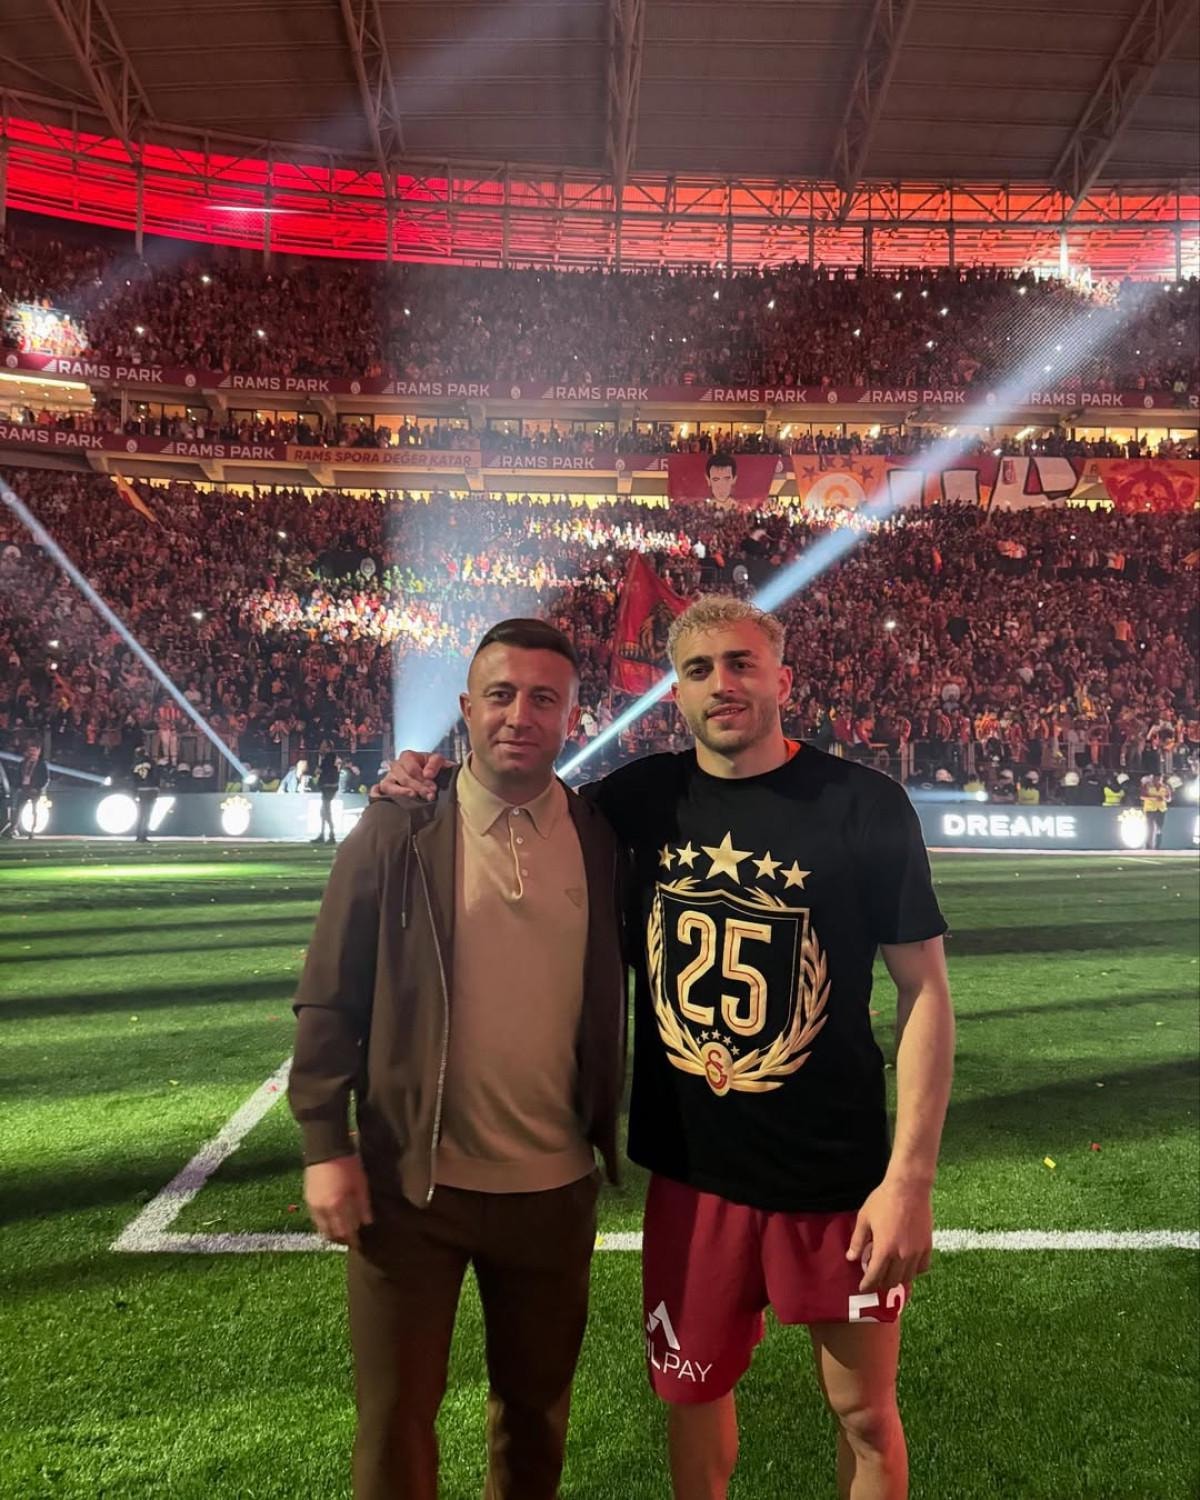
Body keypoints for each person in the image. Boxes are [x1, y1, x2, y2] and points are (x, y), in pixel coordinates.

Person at [380, 595, 955, 1500]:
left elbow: (925, 993)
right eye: (698, 670)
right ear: (674, 693)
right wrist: (427, 776)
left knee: (864, 1414)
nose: (721, 684)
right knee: (690, 1397)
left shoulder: (864, 804)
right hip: (691, 1176)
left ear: (782, 680)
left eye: (740, 663)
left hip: (835, 1177)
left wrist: (909, 1181)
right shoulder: (636, 801)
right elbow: (514, 794)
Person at [288, 618, 626, 1500]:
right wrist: (325, 1143)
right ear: (468, 708)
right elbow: (329, 992)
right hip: (412, 1190)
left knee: (536, 1417)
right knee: (395, 1420)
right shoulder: (397, 828)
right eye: (502, 695)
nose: (521, 715)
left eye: (544, 699)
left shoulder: (601, 835)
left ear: (572, 718)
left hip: (554, 1190)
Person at [12, 745, 49, 839]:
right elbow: (18, 775)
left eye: (34, 750)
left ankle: (32, 830)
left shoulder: (41, 764)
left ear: (38, 751)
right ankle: (14, 828)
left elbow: (45, 778)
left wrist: (37, 788)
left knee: (34, 810)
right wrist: (18, 786)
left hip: (34, 790)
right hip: (24, 788)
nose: (32, 753)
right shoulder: (23, 763)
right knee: (18, 809)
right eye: (30, 750)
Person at [314, 746, 340, 845]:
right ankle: (324, 834)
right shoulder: (334, 769)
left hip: (327, 791)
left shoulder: (327, 767)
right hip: (328, 791)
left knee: (326, 812)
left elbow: (318, 772)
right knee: (324, 812)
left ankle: (330, 834)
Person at [131, 755, 160, 842]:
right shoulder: (152, 763)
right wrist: (157, 788)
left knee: (141, 814)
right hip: (151, 789)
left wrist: (134, 790)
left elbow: (133, 778)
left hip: (141, 790)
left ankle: (138, 835)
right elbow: (156, 776)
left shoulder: (135, 764)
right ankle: (143, 835)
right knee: (147, 814)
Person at [1140, 772, 1172, 849]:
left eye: (1159, 779)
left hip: (1161, 809)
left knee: (1159, 828)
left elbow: (1169, 799)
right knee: (1149, 827)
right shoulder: (1147, 785)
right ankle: (1148, 845)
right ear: (1152, 779)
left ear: (1161, 779)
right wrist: (1154, 798)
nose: (1157, 781)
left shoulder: (1165, 787)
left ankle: (1157, 845)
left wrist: (1164, 798)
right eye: (1155, 779)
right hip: (1150, 809)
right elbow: (1142, 796)